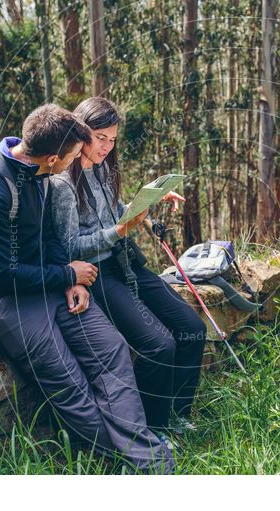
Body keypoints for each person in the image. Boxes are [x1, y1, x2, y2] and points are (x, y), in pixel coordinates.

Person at [0, 103, 173, 473]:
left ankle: (147, 458)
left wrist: (69, 277)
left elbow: (51, 235)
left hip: (53, 282)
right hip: (9, 301)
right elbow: (0, 274)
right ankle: (134, 464)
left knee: (112, 350)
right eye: (76, 154)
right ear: (55, 157)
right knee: (72, 386)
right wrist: (64, 276)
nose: (80, 160)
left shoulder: (39, 170)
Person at [49, 97, 206, 444]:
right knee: (158, 345)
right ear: (81, 132)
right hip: (98, 274)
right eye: (100, 137)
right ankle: (153, 427)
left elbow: (115, 209)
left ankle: (178, 414)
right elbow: (69, 246)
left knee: (192, 327)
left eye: (113, 139)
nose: (107, 146)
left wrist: (146, 207)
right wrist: (118, 231)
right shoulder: (62, 184)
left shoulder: (104, 168)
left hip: (126, 263)